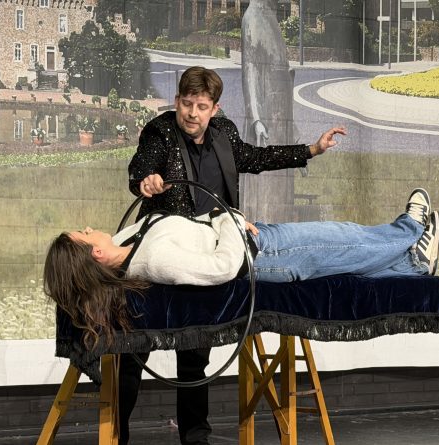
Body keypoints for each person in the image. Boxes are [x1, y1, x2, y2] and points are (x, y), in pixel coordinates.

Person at [44, 189, 439, 441]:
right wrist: (229, 218)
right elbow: (222, 268)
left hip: (255, 238)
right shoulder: (153, 259)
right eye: (84, 234)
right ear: (97, 254)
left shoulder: (126, 241)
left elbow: (190, 229)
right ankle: (410, 228)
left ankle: (413, 265)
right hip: (263, 254)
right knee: (344, 240)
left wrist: (220, 220)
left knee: (342, 251)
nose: (89, 227)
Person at [125, 65, 346, 445]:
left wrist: (312, 149)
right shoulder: (160, 131)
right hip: (165, 253)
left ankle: (196, 437)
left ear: (215, 108)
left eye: (201, 106)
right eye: (186, 104)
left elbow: (256, 158)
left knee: (196, 350)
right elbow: (141, 166)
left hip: (206, 255)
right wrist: (147, 180)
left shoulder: (224, 133)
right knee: (134, 349)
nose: (192, 113)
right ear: (177, 101)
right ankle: (117, 434)